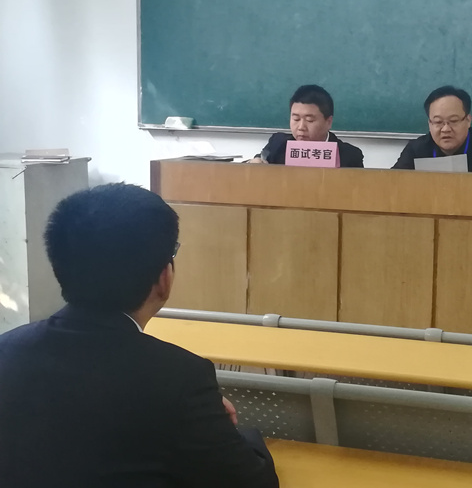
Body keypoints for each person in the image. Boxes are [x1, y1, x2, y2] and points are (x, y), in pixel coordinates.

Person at [0, 184, 279, 488]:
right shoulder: (179, 378)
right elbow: (252, 481)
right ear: (164, 278)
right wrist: (225, 428)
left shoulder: (7, 350)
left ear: (58, 265)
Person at [392, 85, 472, 173]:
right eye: (438, 122)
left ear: (468, 120)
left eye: (453, 121)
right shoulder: (416, 150)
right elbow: (393, 183)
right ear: (429, 123)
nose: (445, 129)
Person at [251, 84, 364, 167]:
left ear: (328, 122)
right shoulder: (278, 144)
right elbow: (258, 160)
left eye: (309, 120)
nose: (301, 127)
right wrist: (255, 162)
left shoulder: (350, 156)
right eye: (296, 119)